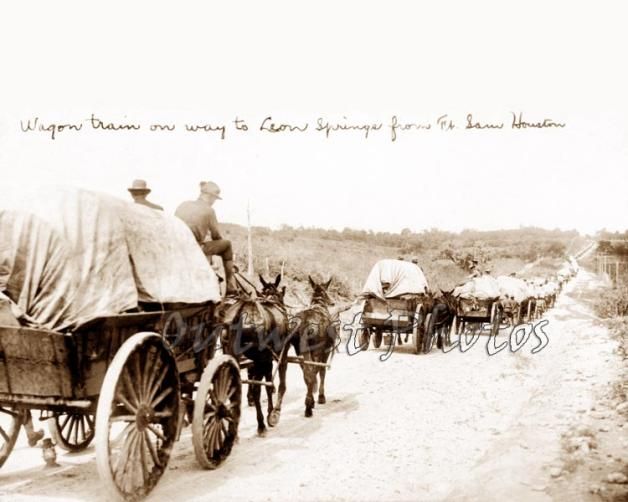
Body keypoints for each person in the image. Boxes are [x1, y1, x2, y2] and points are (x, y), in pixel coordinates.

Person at [175, 181, 237, 296]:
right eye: (214, 199)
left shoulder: (183, 204)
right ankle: (230, 286)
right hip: (194, 248)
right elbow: (216, 236)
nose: (214, 202)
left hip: (176, 246)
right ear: (210, 197)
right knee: (227, 244)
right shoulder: (209, 210)